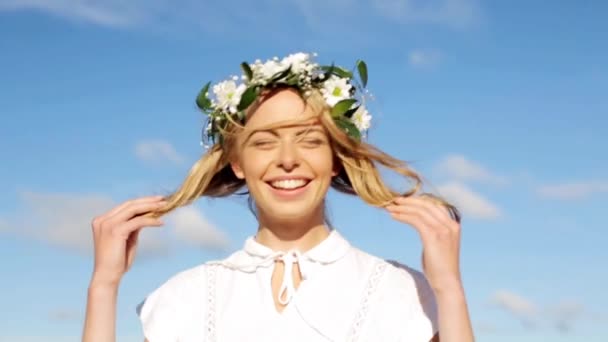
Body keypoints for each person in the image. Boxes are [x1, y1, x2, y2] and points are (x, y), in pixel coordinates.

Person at [82, 52, 474, 341]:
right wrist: (103, 285)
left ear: (336, 159)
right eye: (265, 142)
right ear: (237, 162)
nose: (288, 160)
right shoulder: (185, 296)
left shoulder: (402, 290)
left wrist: (449, 289)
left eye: (309, 140)